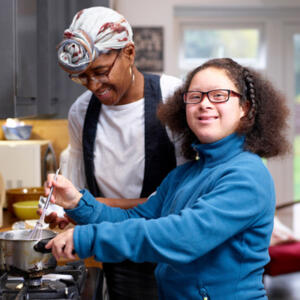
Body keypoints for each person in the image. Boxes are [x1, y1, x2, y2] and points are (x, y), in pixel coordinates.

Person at [45, 58, 290, 299]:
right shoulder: (184, 174)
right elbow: (133, 218)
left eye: (218, 95)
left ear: (244, 108)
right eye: (195, 96)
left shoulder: (248, 175)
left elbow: (182, 237)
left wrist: (88, 237)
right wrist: (77, 202)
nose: (204, 104)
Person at [48, 5, 183, 300]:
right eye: (82, 77)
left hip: (171, 253)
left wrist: (90, 205)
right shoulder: (81, 112)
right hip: (115, 250)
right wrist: (66, 209)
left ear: (130, 53)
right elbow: (79, 184)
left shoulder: (173, 98)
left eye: (100, 71)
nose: (94, 86)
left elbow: (182, 201)